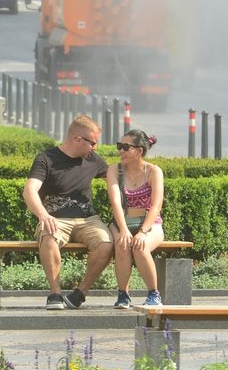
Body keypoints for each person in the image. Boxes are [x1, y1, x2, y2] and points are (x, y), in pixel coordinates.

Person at [22, 115, 112, 310]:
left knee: (106, 244)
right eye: (93, 143)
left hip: (87, 219)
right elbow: (30, 190)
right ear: (78, 139)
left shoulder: (93, 160)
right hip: (56, 219)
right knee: (49, 237)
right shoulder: (46, 158)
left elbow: (116, 181)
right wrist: (43, 215)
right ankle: (55, 293)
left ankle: (80, 293)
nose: (95, 147)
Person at [106, 130, 165, 309]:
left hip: (149, 223)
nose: (120, 151)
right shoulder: (114, 170)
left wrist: (143, 231)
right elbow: (115, 202)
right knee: (122, 244)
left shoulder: (154, 171)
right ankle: (123, 294)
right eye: (119, 146)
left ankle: (153, 294)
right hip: (121, 221)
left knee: (140, 246)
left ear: (139, 150)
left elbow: (156, 205)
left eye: (125, 147)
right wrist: (123, 230)